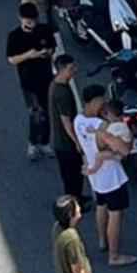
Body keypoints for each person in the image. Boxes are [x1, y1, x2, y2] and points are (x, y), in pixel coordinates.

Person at [74, 85, 137, 267]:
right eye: (102, 100)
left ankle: (103, 241)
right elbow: (123, 148)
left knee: (101, 205)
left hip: (95, 175)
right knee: (115, 214)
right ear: (94, 101)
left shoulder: (78, 120)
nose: (104, 104)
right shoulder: (102, 127)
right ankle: (114, 255)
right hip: (112, 176)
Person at [6, 3, 57, 161]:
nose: (32, 24)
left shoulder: (44, 30)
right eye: (28, 21)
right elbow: (12, 59)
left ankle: (45, 143)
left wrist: (47, 53)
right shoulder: (14, 36)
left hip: (46, 78)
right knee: (35, 113)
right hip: (28, 82)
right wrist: (29, 55)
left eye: (34, 20)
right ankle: (33, 143)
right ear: (21, 19)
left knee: (48, 114)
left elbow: (52, 47)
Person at [48, 54, 89, 204]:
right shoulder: (62, 93)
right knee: (72, 175)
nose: (75, 70)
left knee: (73, 174)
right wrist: (77, 142)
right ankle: (74, 202)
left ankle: (77, 198)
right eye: (71, 68)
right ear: (62, 70)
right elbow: (67, 123)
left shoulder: (56, 85)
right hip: (65, 143)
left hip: (61, 141)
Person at [84, 100, 132, 175]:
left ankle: (93, 170)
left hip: (116, 153)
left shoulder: (115, 127)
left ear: (110, 114)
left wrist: (94, 131)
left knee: (99, 156)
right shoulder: (122, 124)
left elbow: (106, 136)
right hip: (120, 148)